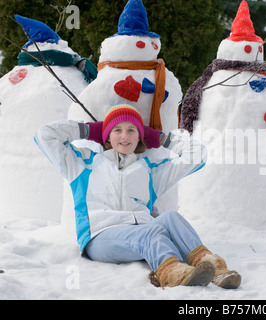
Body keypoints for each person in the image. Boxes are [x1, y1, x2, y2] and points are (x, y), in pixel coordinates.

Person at [34, 104, 241, 289]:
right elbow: (45, 135)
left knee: (171, 218)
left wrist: (162, 139)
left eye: (131, 130)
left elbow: (197, 156)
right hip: (100, 236)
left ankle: (215, 268)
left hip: (141, 230)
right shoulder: (82, 164)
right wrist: (88, 130)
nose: (124, 136)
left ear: (141, 137)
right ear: (106, 136)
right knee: (150, 234)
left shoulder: (149, 171)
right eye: (117, 130)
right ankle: (172, 273)